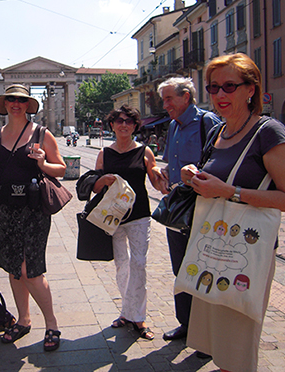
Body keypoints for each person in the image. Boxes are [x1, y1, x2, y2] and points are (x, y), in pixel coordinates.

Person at [181, 53, 285, 372]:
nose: (220, 95)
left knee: (237, 347)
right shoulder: (218, 133)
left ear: (250, 89)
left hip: (247, 253)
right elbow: (218, 179)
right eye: (213, 88)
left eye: (229, 86)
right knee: (219, 346)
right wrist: (194, 176)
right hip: (214, 246)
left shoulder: (269, 132)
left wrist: (230, 192)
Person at [0, 84, 66, 351]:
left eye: (21, 100)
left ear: (28, 104)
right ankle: (23, 319)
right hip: (4, 208)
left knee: (29, 269)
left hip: (32, 210)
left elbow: (62, 169)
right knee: (13, 267)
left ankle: (52, 324)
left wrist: (43, 163)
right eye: (11, 99)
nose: (16, 104)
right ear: (5, 103)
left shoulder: (41, 134)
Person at [93, 104, 167, 340]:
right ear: (112, 125)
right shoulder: (104, 154)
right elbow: (94, 186)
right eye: (119, 121)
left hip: (139, 216)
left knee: (139, 264)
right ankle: (127, 312)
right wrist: (102, 179)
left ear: (135, 126)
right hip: (113, 217)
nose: (124, 124)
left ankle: (138, 316)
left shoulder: (145, 152)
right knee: (121, 265)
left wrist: (160, 177)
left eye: (129, 121)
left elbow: (156, 183)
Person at [156, 76, 220, 345]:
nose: (166, 105)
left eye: (170, 98)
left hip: (203, 207)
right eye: (164, 100)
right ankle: (186, 324)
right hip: (177, 207)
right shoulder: (172, 126)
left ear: (187, 97)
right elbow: (169, 160)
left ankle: (207, 333)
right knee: (181, 267)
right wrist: (163, 173)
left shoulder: (208, 123)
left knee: (204, 268)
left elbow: (221, 165)